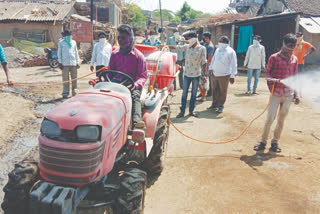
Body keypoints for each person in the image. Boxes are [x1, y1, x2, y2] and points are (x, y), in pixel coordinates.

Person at [254, 33, 300, 153]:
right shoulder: (274, 57)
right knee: (270, 118)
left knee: (281, 120)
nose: (291, 49)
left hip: (288, 95)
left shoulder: (295, 59)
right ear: (283, 44)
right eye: (289, 46)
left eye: (293, 47)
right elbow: (268, 73)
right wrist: (272, 80)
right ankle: (263, 141)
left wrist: (297, 94)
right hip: (276, 93)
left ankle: (275, 142)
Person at [108, 24, 147, 130]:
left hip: (132, 85)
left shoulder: (139, 57)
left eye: (123, 38)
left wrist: (134, 85)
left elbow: (142, 77)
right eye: (119, 38)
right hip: (116, 83)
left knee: (135, 98)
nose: (120, 40)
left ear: (131, 39)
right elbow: (110, 72)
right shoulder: (114, 54)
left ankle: (137, 125)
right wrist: (105, 80)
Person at [163, 31, 206, 118]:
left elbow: (204, 63)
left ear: (194, 39)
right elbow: (177, 47)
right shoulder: (187, 47)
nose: (188, 41)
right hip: (187, 74)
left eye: (189, 40)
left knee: (193, 94)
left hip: (196, 75)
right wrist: (166, 46)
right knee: (184, 94)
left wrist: (204, 75)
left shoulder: (202, 48)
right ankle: (182, 112)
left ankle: (191, 111)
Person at [207, 36, 237, 113]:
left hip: (224, 75)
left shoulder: (231, 52)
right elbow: (213, 60)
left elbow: (234, 65)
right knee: (214, 90)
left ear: (225, 43)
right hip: (215, 73)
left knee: (222, 91)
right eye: (219, 41)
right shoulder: (217, 50)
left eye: (221, 41)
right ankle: (214, 104)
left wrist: (232, 76)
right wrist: (210, 68)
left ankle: (221, 106)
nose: (219, 43)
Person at [58, 29, 80, 98]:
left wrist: (77, 62)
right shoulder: (61, 42)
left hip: (73, 63)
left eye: (69, 35)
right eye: (67, 35)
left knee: (74, 78)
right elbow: (59, 53)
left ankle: (74, 91)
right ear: (65, 35)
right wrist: (60, 62)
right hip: (65, 63)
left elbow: (76, 52)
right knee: (65, 79)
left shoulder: (73, 42)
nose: (68, 36)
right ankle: (65, 92)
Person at [197, 32, 215, 101]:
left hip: (207, 65)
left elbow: (210, 58)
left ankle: (208, 93)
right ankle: (202, 93)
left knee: (206, 80)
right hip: (203, 64)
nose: (203, 39)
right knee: (202, 80)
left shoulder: (210, 46)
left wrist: (206, 67)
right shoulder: (204, 44)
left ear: (208, 38)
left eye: (205, 38)